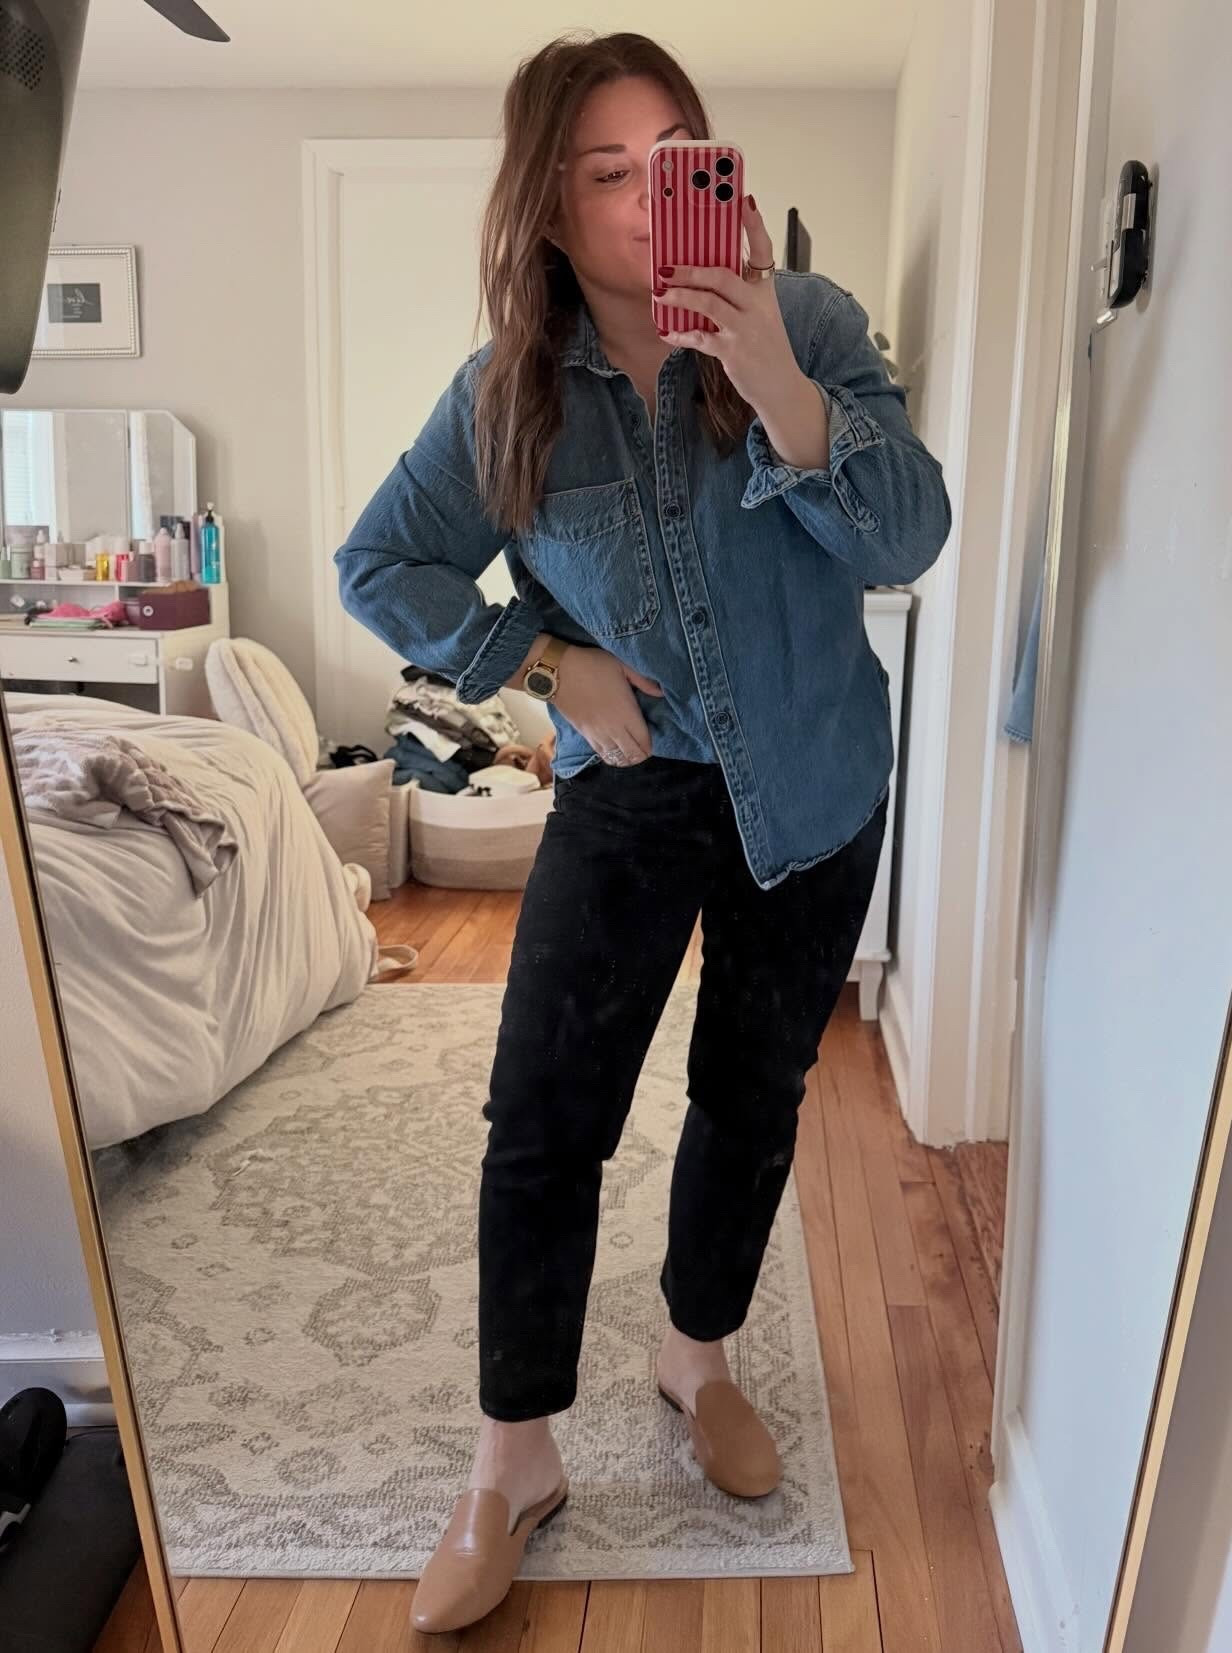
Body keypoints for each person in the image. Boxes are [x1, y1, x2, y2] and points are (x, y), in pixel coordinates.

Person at [333, 29, 952, 1635]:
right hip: (632, 780)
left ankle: (695, 1357)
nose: (644, 199)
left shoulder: (811, 324)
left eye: (673, 158)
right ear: (548, 205)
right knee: (544, 1115)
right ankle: (513, 1456)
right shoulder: (509, 393)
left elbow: (911, 532)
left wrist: (780, 386)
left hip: (814, 779)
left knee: (751, 1092)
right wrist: (546, 661)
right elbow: (377, 564)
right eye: (606, 172)